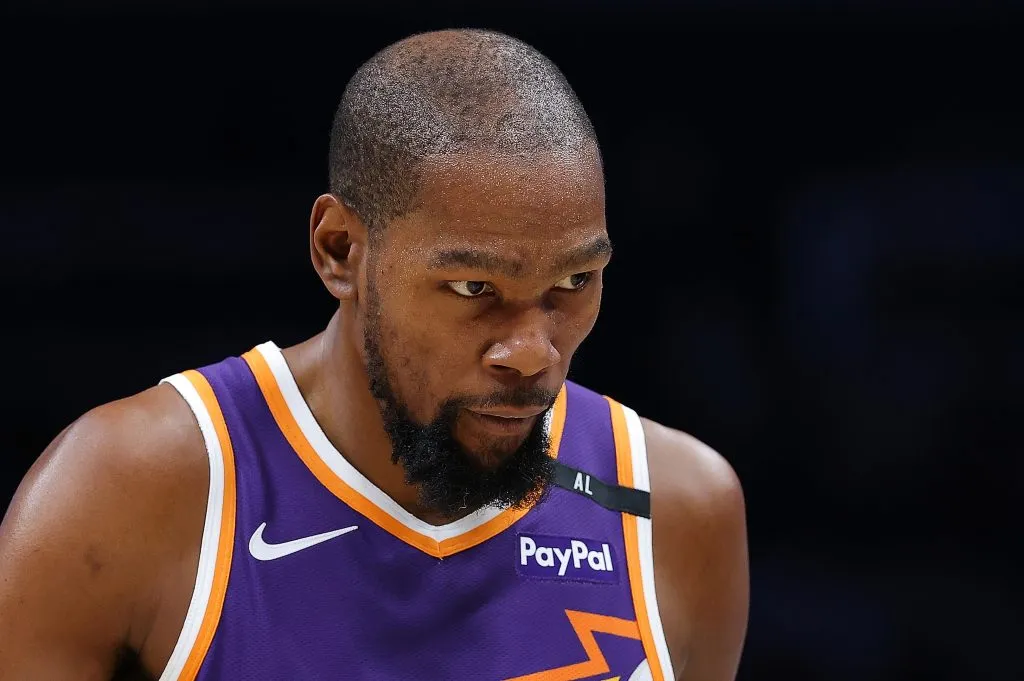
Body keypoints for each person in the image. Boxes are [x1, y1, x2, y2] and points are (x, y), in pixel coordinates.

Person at [0, 28, 748, 681]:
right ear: (340, 251)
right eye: (472, 285)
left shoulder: (680, 513)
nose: (531, 352)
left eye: (574, 281)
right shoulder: (127, 497)